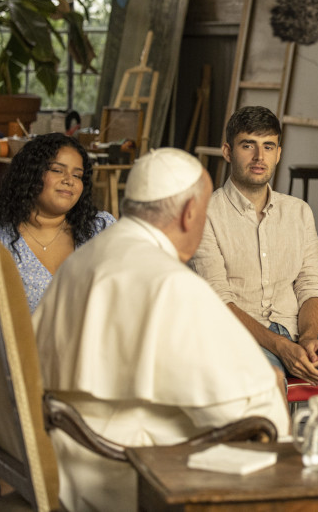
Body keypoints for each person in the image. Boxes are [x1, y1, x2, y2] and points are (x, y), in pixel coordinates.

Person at [33, 148, 289, 512]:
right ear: (189, 215)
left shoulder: (85, 258)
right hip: (120, 475)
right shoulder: (169, 282)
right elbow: (250, 417)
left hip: (67, 461)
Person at [190, 106, 318, 438]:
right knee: (270, 382)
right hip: (237, 337)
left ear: (278, 153)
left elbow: (312, 285)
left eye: (269, 146)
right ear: (228, 151)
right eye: (248, 145)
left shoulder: (298, 212)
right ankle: (288, 484)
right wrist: (281, 347)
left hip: (295, 331)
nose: (259, 156)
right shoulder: (205, 215)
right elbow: (220, 301)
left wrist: (306, 339)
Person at [0, 133, 114, 311]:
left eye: (77, 175)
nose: (69, 180)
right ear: (31, 173)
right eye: (57, 170)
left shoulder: (102, 229)